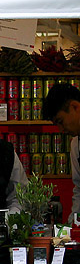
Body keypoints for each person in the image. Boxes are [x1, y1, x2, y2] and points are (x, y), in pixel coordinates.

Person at [44, 83, 80, 215]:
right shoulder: (76, 145)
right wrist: (72, 225)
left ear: (75, 107)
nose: (61, 130)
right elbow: (79, 190)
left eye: (60, 121)